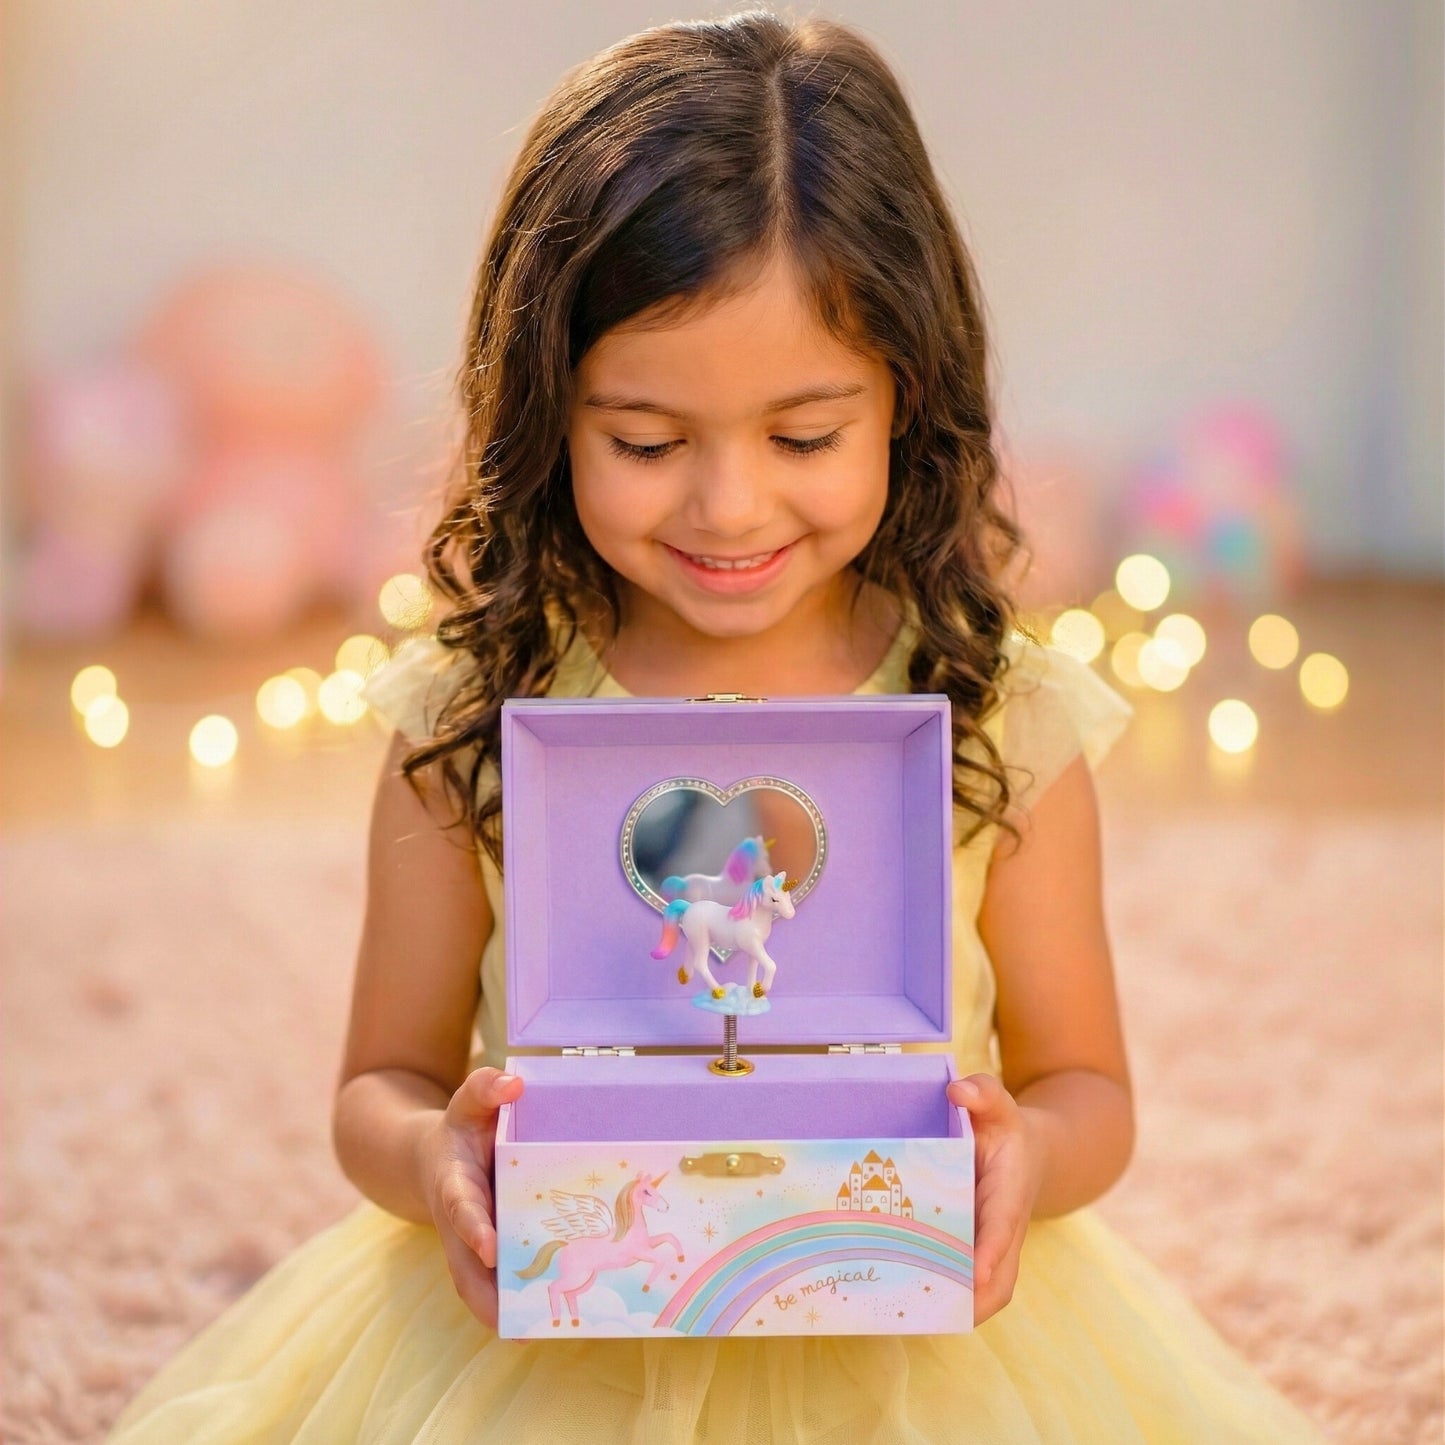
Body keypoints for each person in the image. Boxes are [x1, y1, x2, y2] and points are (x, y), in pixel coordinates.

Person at [110, 12, 1326, 1442]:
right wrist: (434, 1155)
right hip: (559, 1323)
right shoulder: (475, 712)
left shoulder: (998, 715)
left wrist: (1026, 1154)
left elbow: (1087, 1088)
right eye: (643, 440)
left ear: (906, 403)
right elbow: (381, 1082)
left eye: (803, 438)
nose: (727, 507)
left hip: (912, 1331)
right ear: (544, 412)